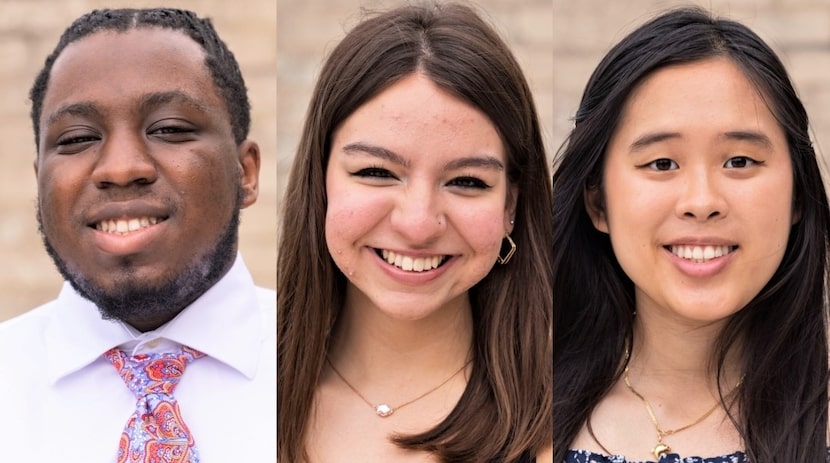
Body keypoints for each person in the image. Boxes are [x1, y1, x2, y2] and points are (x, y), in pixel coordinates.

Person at [553, 6, 830, 463]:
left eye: (739, 161)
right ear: (598, 202)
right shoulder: (521, 425)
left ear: (798, 195)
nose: (702, 201)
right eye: (662, 163)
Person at [277, 2, 552, 462]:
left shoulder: (566, 428)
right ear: (319, 182)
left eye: (466, 181)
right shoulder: (243, 397)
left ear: (511, 206)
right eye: (376, 172)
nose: (418, 224)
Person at [0, 8, 275, 461]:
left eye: (169, 129)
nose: (121, 168)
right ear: (40, 184)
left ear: (245, 173)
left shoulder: (330, 364)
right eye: (76, 139)